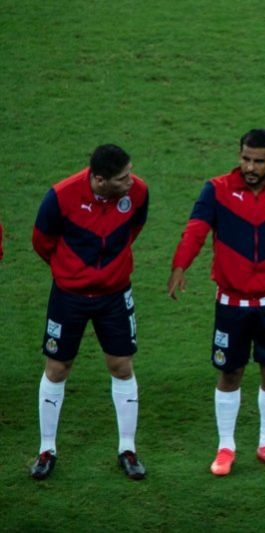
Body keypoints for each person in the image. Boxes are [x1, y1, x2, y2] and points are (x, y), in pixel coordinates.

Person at [168, 129, 265, 476]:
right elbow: (196, 230)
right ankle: (226, 447)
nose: (249, 166)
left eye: (258, 161)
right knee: (229, 372)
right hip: (230, 302)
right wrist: (179, 266)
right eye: (245, 158)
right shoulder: (216, 190)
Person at [30, 144, 149, 480]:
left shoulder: (137, 192)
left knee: (121, 364)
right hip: (69, 296)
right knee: (57, 367)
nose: (131, 181)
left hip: (114, 295)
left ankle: (128, 449)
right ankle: (46, 449)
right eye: (123, 177)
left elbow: (133, 229)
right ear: (99, 179)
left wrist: (109, 270)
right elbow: (42, 241)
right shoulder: (61, 197)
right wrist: (73, 273)